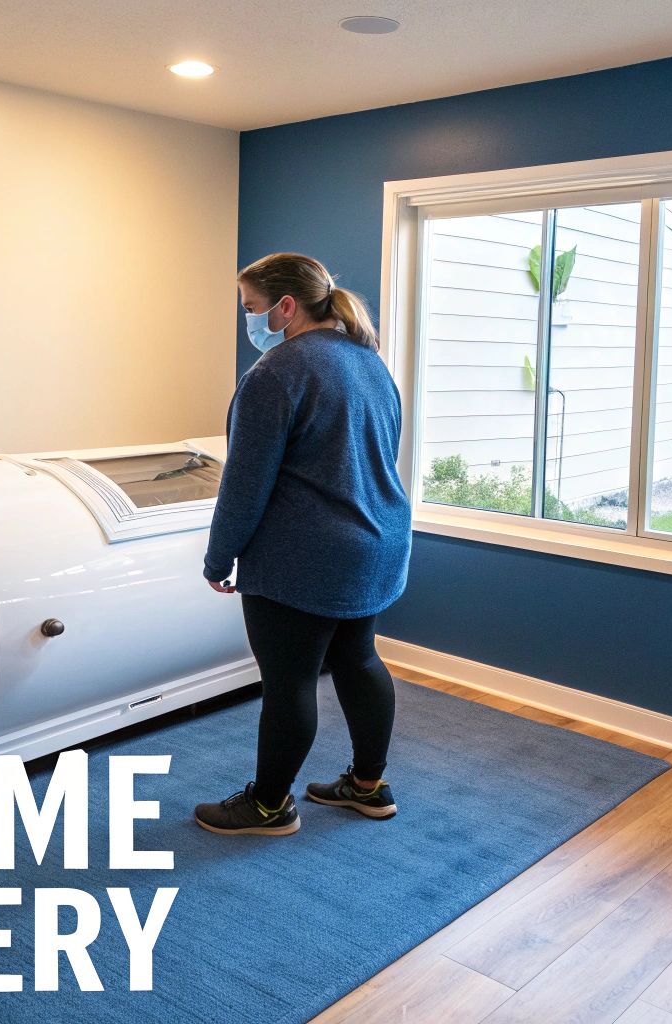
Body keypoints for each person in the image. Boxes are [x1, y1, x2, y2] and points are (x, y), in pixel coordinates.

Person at [193, 252, 412, 836]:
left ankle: (268, 806)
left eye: (251, 308)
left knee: (288, 681)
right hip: (376, 541)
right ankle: (368, 786)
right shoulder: (368, 362)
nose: (249, 319)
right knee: (358, 658)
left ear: (285, 307)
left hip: (306, 556)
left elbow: (244, 484)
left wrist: (219, 557)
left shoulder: (277, 373)